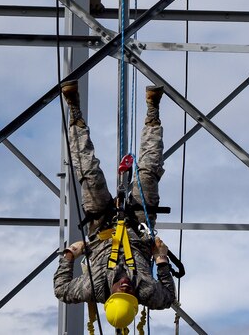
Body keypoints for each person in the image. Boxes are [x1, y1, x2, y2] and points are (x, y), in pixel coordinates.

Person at [53, 81, 176, 330]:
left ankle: (74, 110)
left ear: (110, 297)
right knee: (148, 174)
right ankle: (153, 111)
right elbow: (168, 298)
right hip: (138, 226)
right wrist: (161, 260)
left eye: (120, 292)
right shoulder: (146, 291)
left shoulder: (92, 287)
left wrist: (69, 255)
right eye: (129, 294)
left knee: (90, 174)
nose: (126, 287)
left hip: (101, 227)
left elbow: (62, 290)